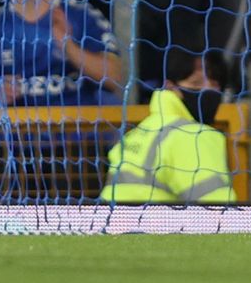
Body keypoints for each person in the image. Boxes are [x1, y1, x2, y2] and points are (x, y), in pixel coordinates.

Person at [100, 50, 233, 204]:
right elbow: (217, 213)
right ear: (171, 86)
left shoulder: (138, 133)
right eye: (196, 83)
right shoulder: (195, 136)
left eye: (215, 85)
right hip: (161, 227)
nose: (207, 91)